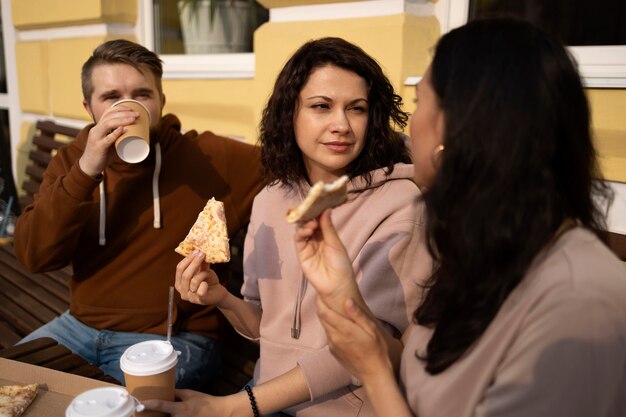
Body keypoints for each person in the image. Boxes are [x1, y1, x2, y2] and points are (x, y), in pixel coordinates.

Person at [294, 17, 626, 417]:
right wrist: (344, 294)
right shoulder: (482, 251)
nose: (405, 126)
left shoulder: (579, 305)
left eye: (418, 104)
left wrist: (374, 372)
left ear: (459, 130)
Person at [145, 37, 431, 416]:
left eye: (357, 109)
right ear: (289, 113)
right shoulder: (269, 201)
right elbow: (267, 324)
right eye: (321, 106)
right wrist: (224, 300)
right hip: (263, 393)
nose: (341, 124)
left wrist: (237, 407)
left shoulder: (399, 207)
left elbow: (369, 350)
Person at [13, 39, 265, 392]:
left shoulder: (208, 157)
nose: (127, 110)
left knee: (107, 409)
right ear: (89, 108)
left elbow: (290, 163)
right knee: (8, 383)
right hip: (78, 326)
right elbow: (33, 255)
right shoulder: (72, 161)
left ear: (161, 101)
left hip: (174, 338)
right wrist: (86, 170)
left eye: (141, 95)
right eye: (111, 97)